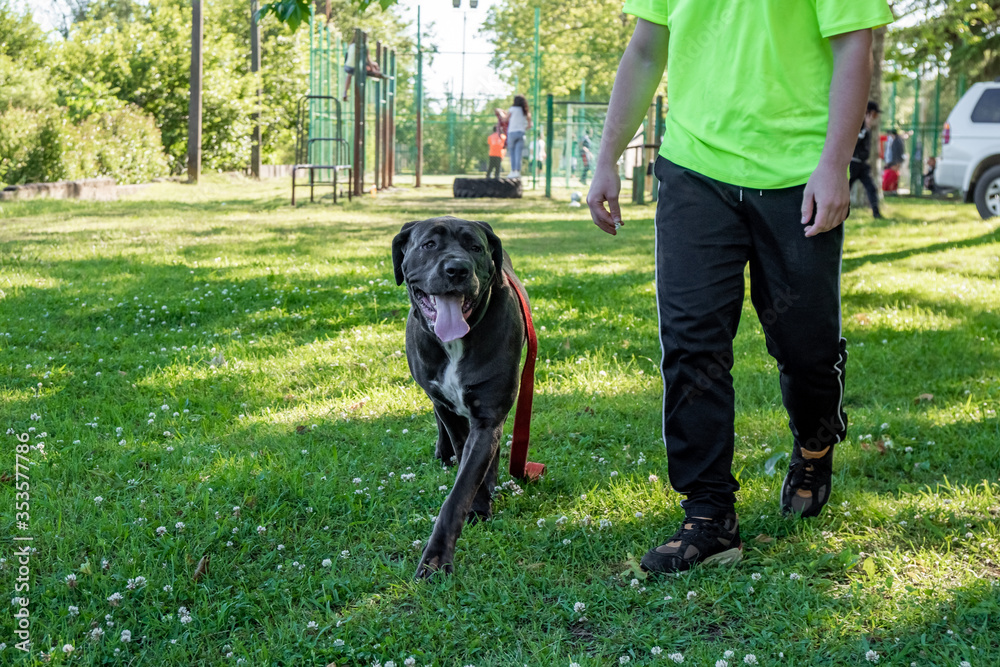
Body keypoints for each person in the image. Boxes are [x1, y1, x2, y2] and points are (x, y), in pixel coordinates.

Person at [587, 0, 894, 574]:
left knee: (806, 347)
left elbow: (855, 45)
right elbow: (647, 48)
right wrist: (608, 156)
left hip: (798, 171)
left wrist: (834, 163)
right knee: (691, 342)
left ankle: (814, 445)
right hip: (694, 169)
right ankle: (709, 514)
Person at [850, 101, 883, 218]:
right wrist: (865, 129)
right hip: (852, 163)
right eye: (874, 114)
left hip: (862, 165)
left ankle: (876, 213)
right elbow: (853, 142)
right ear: (868, 113)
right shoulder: (857, 124)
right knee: (845, 189)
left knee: (871, 188)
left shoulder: (868, 127)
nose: (875, 117)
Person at [506, 95, 531, 178]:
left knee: (512, 153)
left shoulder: (512, 109)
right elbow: (530, 125)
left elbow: (506, 119)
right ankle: (517, 172)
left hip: (512, 132)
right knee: (518, 154)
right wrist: (523, 128)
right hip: (521, 133)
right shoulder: (525, 111)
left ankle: (513, 171)